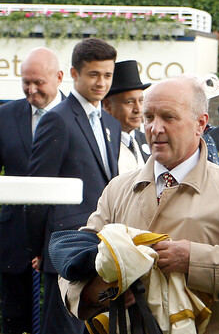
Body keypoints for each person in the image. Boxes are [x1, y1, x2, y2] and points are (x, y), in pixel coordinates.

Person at [57, 75, 219, 334]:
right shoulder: (117, 189)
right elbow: (77, 258)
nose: (155, 128)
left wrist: (192, 260)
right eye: (149, 117)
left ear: (200, 124)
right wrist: (98, 290)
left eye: (168, 117)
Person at [27, 38, 121, 334]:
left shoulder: (111, 123)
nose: (101, 83)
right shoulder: (58, 120)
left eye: (107, 75)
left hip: (103, 249)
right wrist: (39, 249)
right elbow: (37, 192)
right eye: (93, 75)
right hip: (64, 252)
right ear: (74, 74)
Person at [0, 47, 64, 334]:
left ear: (60, 77)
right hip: (14, 241)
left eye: (39, 82)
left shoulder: (74, 117)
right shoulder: (5, 116)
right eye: (26, 81)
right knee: (15, 319)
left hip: (60, 239)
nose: (31, 89)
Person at [102, 60, 151, 173]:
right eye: (129, 102)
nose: (138, 109)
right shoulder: (102, 142)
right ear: (108, 106)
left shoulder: (146, 139)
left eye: (141, 101)